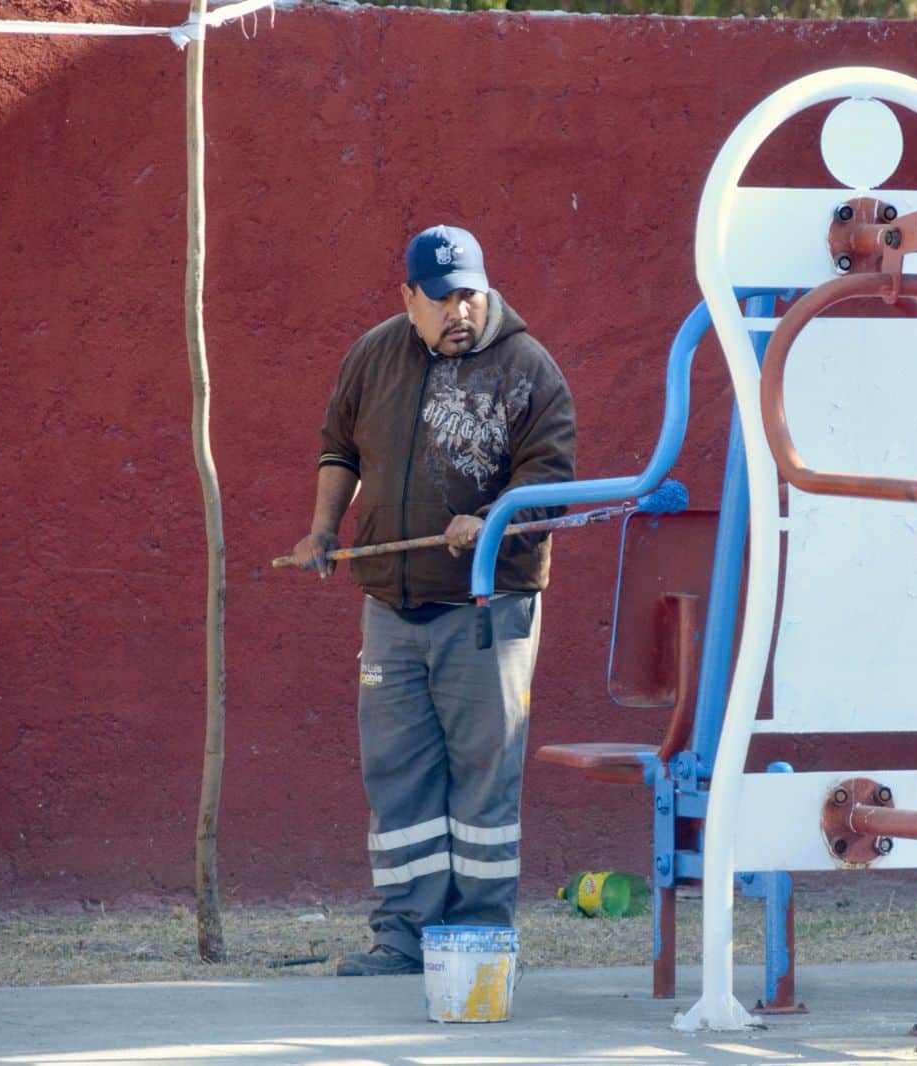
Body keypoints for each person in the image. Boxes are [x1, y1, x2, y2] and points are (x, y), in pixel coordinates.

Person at [289, 224, 576, 977]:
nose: (460, 311)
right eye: (442, 297)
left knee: (485, 774)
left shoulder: (529, 369)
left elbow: (551, 481)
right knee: (397, 774)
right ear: (408, 297)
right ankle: (404, 939)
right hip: (390, 608)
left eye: (470, 294)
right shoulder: (374, 353)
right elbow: (338, 447)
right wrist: (323, 529)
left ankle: (478, 942)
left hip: (490, 609)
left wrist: (492, 522)